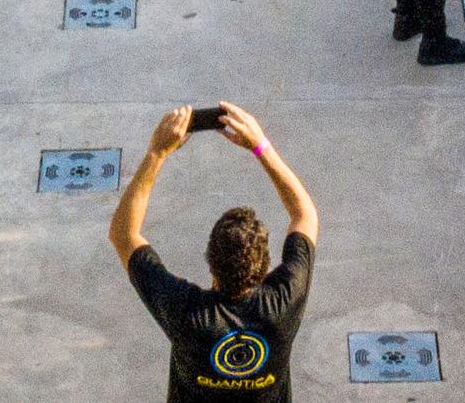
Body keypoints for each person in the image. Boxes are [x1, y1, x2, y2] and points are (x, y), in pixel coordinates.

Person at [108, 104, 317, 403]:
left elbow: (123, 234)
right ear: (266, 266)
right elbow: (304, 214)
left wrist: (157, 154)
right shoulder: (284, 301)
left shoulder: (187, 314)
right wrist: (261, 147)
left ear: (211, 264)